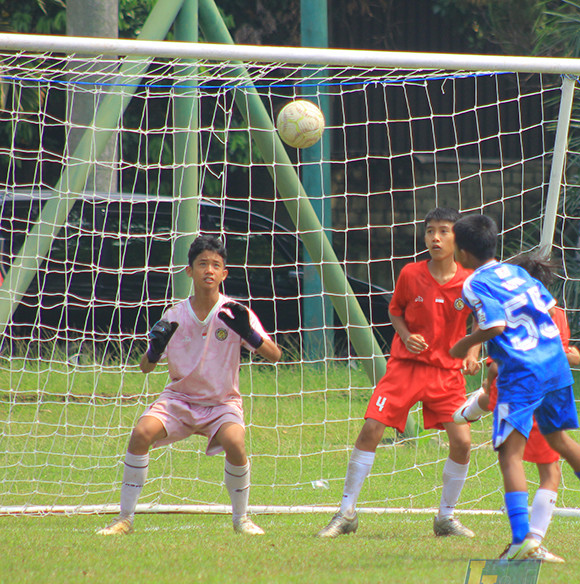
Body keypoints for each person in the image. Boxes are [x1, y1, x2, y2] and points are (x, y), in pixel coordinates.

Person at [449, 213, 580, 561]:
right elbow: (546, 306)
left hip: (523, 372)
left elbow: (496, 325)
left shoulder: (472, 283)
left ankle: (520, 540)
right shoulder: (516, 272)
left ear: (464, 253)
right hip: (555, 364)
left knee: (509, 455)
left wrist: (463, 345)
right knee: (559, 439)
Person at [98, 234, 283, 536]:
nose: (209, 270)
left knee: (236, 442)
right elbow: (145, 367)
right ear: (189, 270)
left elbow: (275, 355)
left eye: (216, 265)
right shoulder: (174, 315)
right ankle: (125, 519)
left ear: (224, 273)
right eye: (202, 264)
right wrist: (154, 351)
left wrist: (250, 335)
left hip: (221, 403)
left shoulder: (235, 312)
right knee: (141, 433)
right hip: (179, 401)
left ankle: (241, 519)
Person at [317, 208, 481, 539]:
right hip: (405, 367)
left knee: (462, 442)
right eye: (430, 231)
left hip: (446, 373)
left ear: (457, 239)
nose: (435, 237)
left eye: (444, 231)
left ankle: (446, 518)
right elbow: (395, 311)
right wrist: (406, 336)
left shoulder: (470, 281)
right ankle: (346, 513)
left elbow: (481, 318)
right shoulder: (410, 273)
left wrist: (473, 352)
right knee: (371, 428)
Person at [453, 253, 580, 563]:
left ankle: (475, 406)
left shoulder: (499, 301)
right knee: (549, 471)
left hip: (515, 386)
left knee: (494, 401)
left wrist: (477, 357)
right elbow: (564, 355)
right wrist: (572, 356)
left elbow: (492, 339)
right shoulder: (552, 312)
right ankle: (533, 541)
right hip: (540, 393)